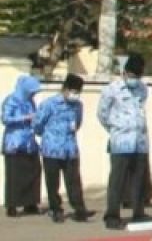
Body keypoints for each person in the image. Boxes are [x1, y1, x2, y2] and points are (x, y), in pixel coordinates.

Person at [98, 54, 150, 230]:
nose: (134, 79)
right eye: (132, 75)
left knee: (138, 181)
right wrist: (116, 130)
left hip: (140, 142)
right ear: (125, 72)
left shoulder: (143, 89)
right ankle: (112, 216)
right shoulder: (112, 89)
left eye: (138, 76)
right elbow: (102, 114)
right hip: (121, 142)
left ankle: (138, 212)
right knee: (117, 181)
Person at [34, 74, 93, 223]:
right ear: (65, 89)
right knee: (53, 182)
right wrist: (49, 135)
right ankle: (56, 209)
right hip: (51, 150)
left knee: (74, 181)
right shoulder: (49, 104)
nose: (75, 95)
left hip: (70, 149)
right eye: (73, 91)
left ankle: (79, 209)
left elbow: (78, 123)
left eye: (78, 92)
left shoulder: (78, 105)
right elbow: (37, 125)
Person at [3, 74, 42, 218]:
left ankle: (30, 203)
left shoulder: (30, 101)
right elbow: (6, 118)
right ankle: (12, 205)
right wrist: (25, 118)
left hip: (30, 143)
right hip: (15, 142)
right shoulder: (11, 100)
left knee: (33, 171)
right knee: (14, 175)